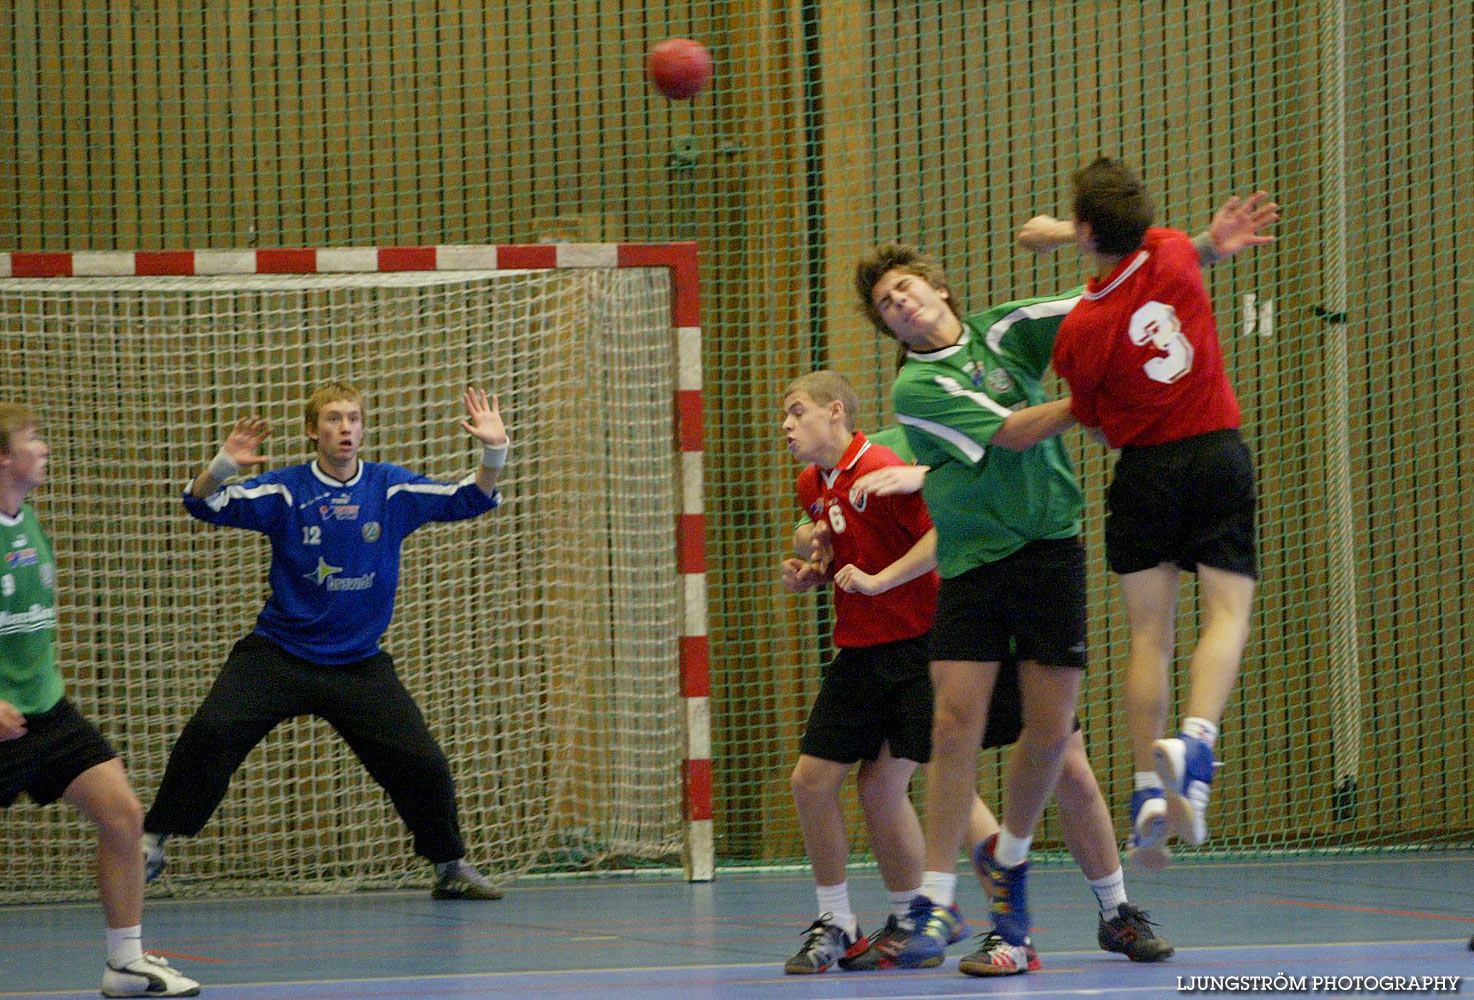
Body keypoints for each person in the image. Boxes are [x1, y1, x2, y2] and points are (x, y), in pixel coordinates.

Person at [851, 207, 1266, 973]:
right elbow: (1011, 431)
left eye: (907, 288)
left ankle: (1103, 905)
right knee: (952, 727)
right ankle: (941, 900)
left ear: (940, 290)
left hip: (1050, 551)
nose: (901, 303)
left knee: (1058, 748)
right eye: (886, 304)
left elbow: (1113, 299)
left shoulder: (1005, 331)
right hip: (976, 563)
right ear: (889, 328)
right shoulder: (920, 388)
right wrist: (1099, 399)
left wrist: (1206, 248)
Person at [801, 420, 1172, 973]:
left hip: (1027, 591)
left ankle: (1116, 911)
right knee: (914, 773)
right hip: (966, 610)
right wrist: (809, 543)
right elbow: (823, 515)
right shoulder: (896, 437)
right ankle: (985, 929)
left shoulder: (1013, 421)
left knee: (1068, 764)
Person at [140, 383, 508, 901]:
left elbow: (472, 498)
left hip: (357, 663)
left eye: (354, 419)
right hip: (280, 653)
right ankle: (152, 841)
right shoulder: (287, 491)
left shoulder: (389, 490)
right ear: (314, 431)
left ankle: (449, 865)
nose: (346, 429)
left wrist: (495, 451)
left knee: (421, 762)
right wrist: (223, 465)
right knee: (211, 732)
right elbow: (204, 505)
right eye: (334, 419)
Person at [1029, 159, 1277, 866]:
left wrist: (1058, 235)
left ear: (1085, 231)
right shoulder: (1170, 252)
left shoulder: (1079, 330)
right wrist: (1214, 241)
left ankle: (1144, 789)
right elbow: (1187, 245)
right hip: (1216, 454)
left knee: (1149, 638)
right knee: (1227, 612)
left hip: (1144, 473)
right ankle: (1196, 748)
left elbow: (1100, 427)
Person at [0, 404, 202, 997]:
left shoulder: (26, 521)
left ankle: (125, 964)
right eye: (33, 440)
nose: (45, 449)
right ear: (4, 458)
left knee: (122, 815)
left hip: (46, 714)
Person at [776, 370, 946, 974]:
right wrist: (812, 567)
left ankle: (916, 919)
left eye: (797, 413)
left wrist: (878, 581)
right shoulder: (812, 483)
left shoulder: (882, 466)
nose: (787, 426)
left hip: (920, 645)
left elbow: (939, 538)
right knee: (812, 781)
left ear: (836, 412)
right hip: (859, 647)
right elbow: (834, 540)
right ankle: (838, 923)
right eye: (784, 417)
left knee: (882, 786)